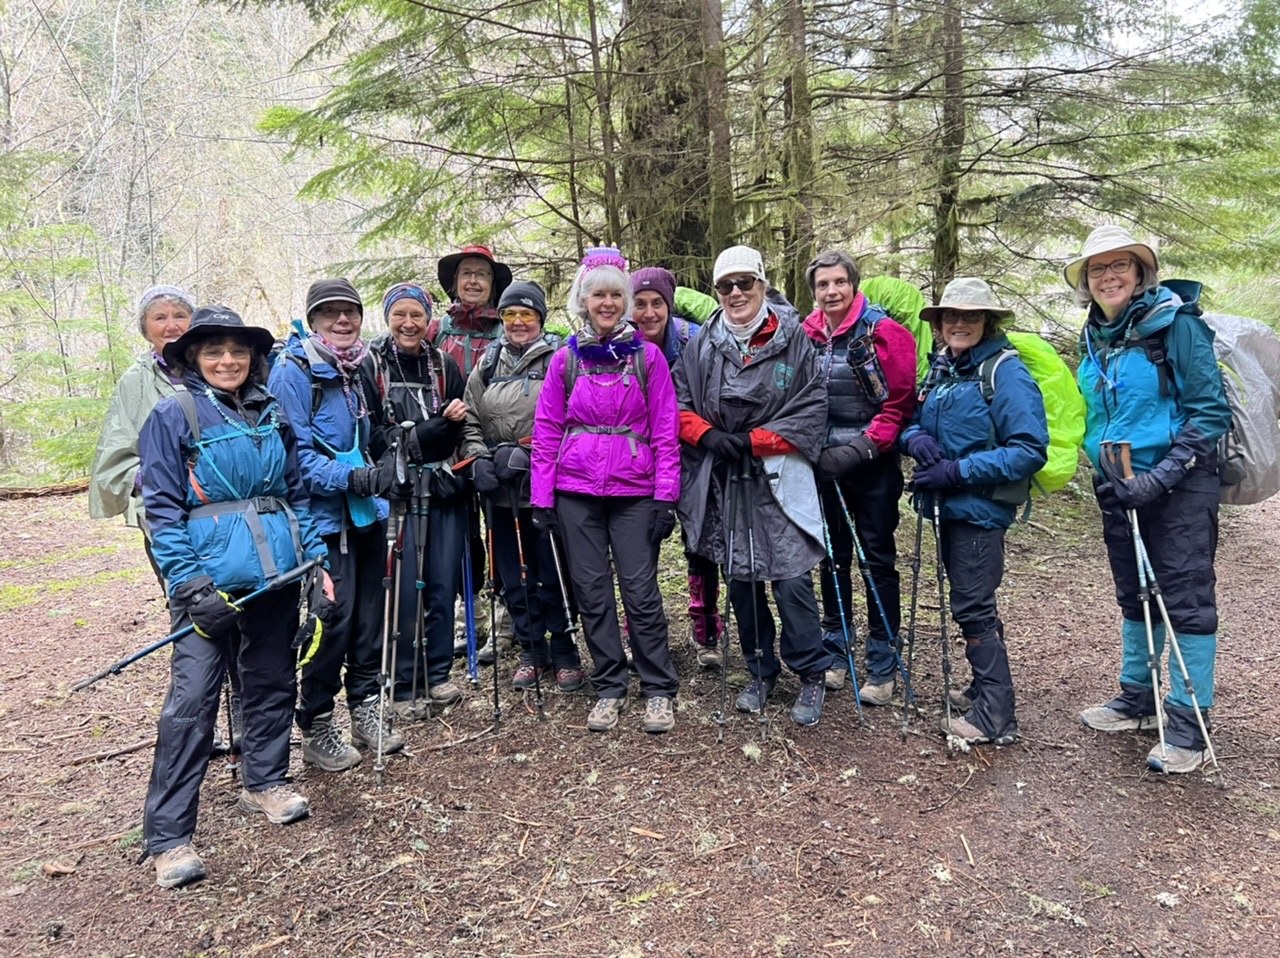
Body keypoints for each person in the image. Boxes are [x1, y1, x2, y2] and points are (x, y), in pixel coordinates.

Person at [138, 306, 330, 888]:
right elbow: (162, 512)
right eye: (214, 351)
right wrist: (192, 587)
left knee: (271, 678)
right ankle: (169, 836)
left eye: (238, 351)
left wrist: (315, 562)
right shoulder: (173, 415)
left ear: (253, 357)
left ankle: (265, 780)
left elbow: (296, 494)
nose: (228, 361)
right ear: (193, 358)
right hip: (208, 583)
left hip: (276, 573)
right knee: (193, 699)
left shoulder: (272, 412)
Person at [1068, 225, 1231, 773]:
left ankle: (1189, 725)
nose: (1108, 276)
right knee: (1134, 593)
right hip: (1118, 482)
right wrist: (1108, 473)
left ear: (1141, 273)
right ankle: (1137, 699)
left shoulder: (1177, 325)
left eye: (1120, 265)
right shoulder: (1095, 335)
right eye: (1097, 268)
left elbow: (1210, 413)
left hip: (1181, 482)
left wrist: (1162, 476)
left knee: (1186, 597)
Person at [675, 245, 830, 727]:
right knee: (741, 579)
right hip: (727, 477)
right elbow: (679, 403)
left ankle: (811, 671)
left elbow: (811, 407)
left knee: (791, 579)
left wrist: (756, 440)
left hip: (780, 473)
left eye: (746, 282)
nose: (736, 293)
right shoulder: (702, 343)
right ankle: (760, 669)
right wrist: (709, 436)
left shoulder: (794, 340)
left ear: (763, 284)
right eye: (726, 285)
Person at [531, 247, 681, 733]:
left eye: (617, 295)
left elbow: (665, 432)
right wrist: (542, 497)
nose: (608, 303)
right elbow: (547, 431)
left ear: (626, 301)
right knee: (592, 592)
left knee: (641, 592)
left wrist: (665, 497)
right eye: (599, 294)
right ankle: (610, 686)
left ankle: (658, 689)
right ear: (584, 300)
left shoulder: (647, 358)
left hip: (634, 491)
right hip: (575, 492)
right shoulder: (565, 360)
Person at [901, 277, 1048, 746]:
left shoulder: (1005, 373)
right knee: (973, 600)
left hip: (980, 511)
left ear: (987, 321)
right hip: (952, 507)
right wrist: (914, 438)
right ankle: (983, 690)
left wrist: (957, 471)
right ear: (940, 322)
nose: (959, 323)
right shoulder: (944, 368)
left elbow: (1029, 449)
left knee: (973, 605)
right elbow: (913, 420)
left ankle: (995, 716)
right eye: (951, 316)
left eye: (970, 316)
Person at [268, 279, 400, 772]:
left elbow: (367, 436)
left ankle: (365, 708)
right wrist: (355, 477)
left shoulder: (358, 365)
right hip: (323, 520)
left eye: (351, 311)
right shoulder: (293, 371)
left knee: (370, 618)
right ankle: (317, 722)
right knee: (331, 622)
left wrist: (392, 455)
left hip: (366, 514)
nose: (343, 320)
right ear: (313, 320)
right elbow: (293, 458)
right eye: (330, 313)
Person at [801, 251, 917, 703]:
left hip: (872, 463)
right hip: (821, 462)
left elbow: (899, 405)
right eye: (823, 284)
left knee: (876, 558)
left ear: (853, 284)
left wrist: (861, 449)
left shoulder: (884, 332)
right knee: (831, 557)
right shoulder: (807, 333)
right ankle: (835, 647)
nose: (831, 291)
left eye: (839, 282)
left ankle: (883, 657)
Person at [461, 280, 585, 693]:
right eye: (510, 314)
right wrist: (478, 458)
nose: (518, 322)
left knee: (552, 569)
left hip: (546, 483)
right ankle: (532, 648)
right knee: (512, 573)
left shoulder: (560, 358)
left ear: (540, 319)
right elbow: (471, 418)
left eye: (526, 314)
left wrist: (533, 456)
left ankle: (565, 648)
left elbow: (575, 417)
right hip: (499, 485)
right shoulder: (488, 362)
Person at [363, 281, 470, 717]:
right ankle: (404, 683)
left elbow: (462, 427)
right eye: (400, 315)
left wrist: (450, 425)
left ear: (429, 320)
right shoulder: (372, 365)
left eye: (417, 316)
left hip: (442, 487)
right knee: (404, 587)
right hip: (398, 490)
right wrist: (418, 437)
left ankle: (438, 674)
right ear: (388, 318)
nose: (409, 324)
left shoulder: (443, 365)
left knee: (442, 583)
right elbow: (370, 434)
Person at [631, 266, 721, 669]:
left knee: (699, 543)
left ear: (669, 306)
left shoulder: (693, 341)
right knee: (638, 547)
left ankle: (706, 629)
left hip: (692, 452)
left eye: (657, 303)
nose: (649, 313)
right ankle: (641, 631)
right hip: (639, 457)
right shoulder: (621, 345)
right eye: (640, 303)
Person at [430, 243, 517, 659]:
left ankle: (507, 617)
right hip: (450, 448)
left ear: (493, 284)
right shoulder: (437, 331)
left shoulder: (506, 328)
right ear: (454, 282)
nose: (473, 281)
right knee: (462, 535)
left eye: (482, 274)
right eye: (466, 273)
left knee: (501, 530)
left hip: (496, 444)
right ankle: (471, 617)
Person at [89, 285, 194, 583]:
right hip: (166, 515)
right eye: (160, 318)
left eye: (180, 315)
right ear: (146, 329)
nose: (171, 326)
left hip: (225, 512)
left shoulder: (217, 366)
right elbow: (114, 460)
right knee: (190, 599)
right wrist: (155, 477)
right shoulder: (135, 382)